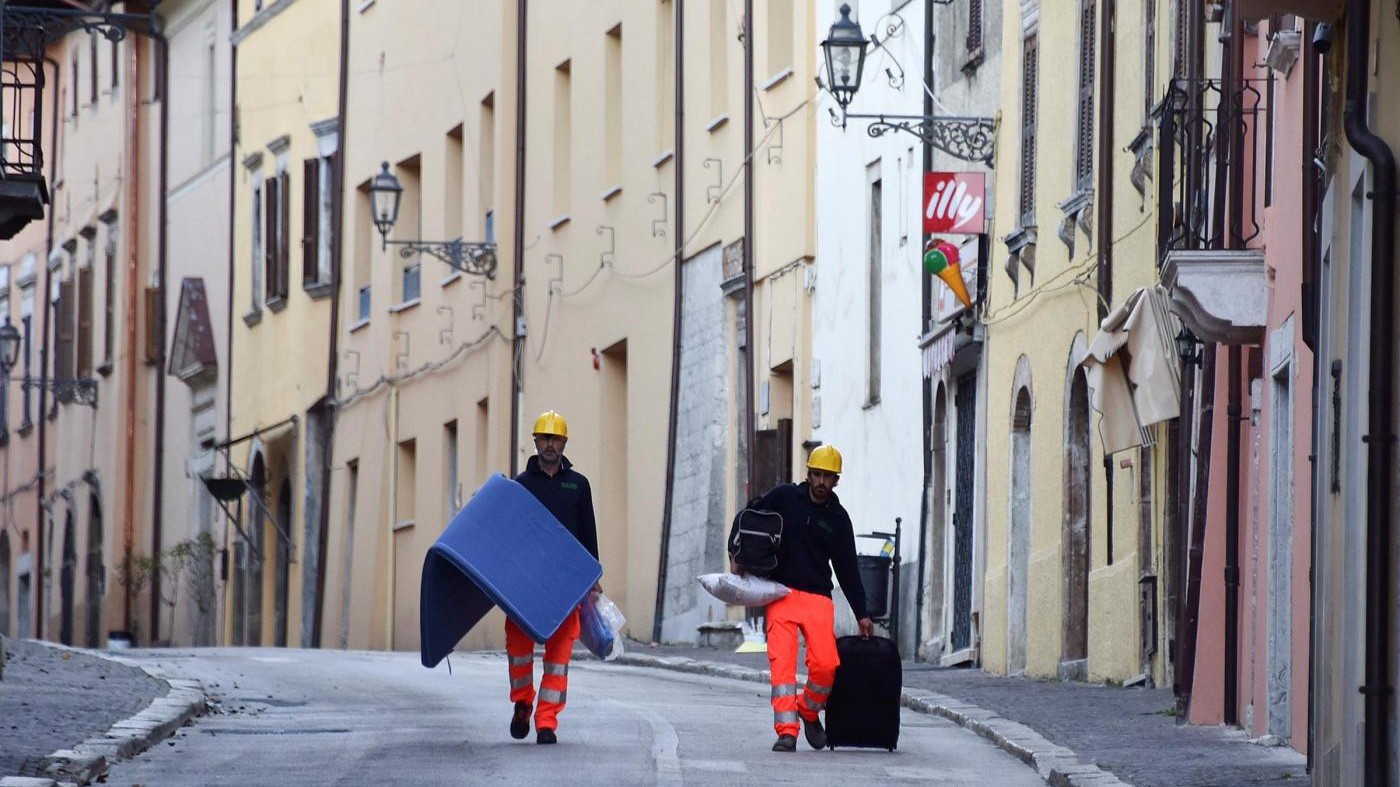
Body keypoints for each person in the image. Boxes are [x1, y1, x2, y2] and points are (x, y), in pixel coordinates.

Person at [739, 444, 873, 753]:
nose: (822, 482)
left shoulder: (839, 519)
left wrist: (862, 612)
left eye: (829, 477)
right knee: (782, 669)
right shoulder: (785, 498)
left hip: (817, 598)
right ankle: (786, 731)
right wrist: (739, 554)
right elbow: (750, 515)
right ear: (808, 474)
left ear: (836, 481)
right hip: (781, 594)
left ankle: (809, 711)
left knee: (826, 664)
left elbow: (848, 569)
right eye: (818, 475)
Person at [506, 410, 600, 745]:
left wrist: (593, 576)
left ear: (563, 443)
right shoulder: (520, 485)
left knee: (559, 656)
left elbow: (588, 532)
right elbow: (509, 536)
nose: (549, 444)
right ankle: (522, 702)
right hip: (525, 583)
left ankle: (547, 722)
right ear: (535, 442)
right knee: (519, 648)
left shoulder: (578, 484)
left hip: (566, 583)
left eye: (555, 438)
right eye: (544, 438)